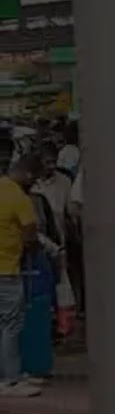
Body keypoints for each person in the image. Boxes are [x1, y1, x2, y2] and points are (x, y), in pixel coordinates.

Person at [0, 154, 41, 397]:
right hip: (7, 270)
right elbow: (31, 233)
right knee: (11, 323)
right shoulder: (19, 197)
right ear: (27, 174)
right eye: (33, 179)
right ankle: (12, 379)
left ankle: (6, 374)